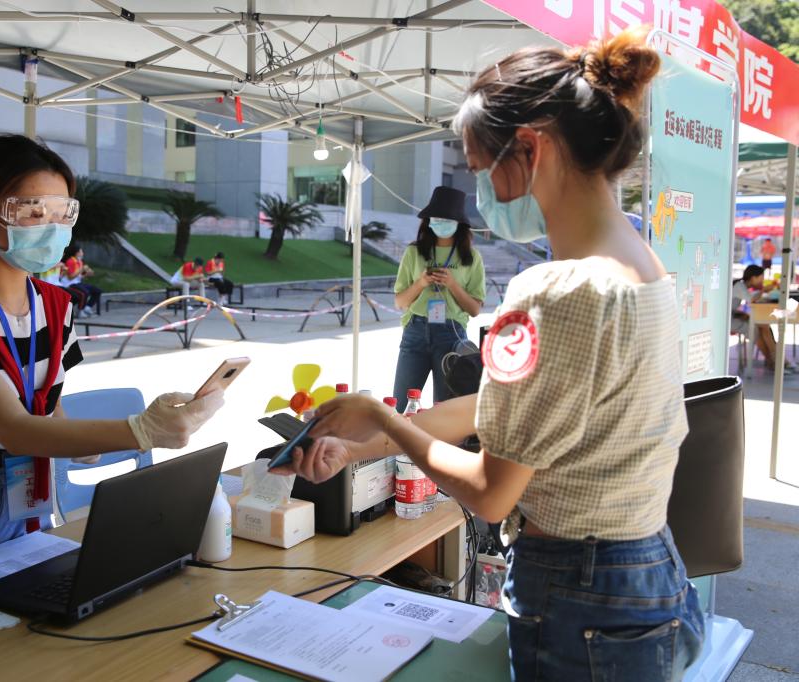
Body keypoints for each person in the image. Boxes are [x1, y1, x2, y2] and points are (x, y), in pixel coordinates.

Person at [274, 28, 705, 680]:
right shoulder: (643, 266)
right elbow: (499, 408)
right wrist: (365, 447)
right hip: (653, 574)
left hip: (579, 595)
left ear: (530, 149)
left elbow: (492, 493)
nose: (483, 196)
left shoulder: (549, 292)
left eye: (481, 170)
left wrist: (383, 416)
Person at [0, 135, 224, 585]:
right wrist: (140, 431)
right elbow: (13, 428)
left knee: (16, 632)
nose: (50, 227)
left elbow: (46, 403)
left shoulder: (56, 305)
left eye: (62, 214)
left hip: (26, 491)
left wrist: (81, 438)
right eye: (33, 212)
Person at [392, 186, 485, 408]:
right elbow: (400, 302)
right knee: (400, 405)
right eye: (437, 218)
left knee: (445, 408)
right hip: (416, 331)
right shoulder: (413, 253)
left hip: (451, 335)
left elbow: (474, 309)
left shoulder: (471, 257)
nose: (441, 223)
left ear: (459, 222)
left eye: (448, 219)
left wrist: (452, 284)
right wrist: (422, 283)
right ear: (429, 220)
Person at [732, 264, 794, 373]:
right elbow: (751, 299)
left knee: (764, 326)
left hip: (736, 316)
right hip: (731, 321)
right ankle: (776, 362)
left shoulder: (741, 286)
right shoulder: (739, 286)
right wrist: (764, 290)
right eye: (761, 278)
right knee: (757, 329)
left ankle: (776, 361)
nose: (762, 280)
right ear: (753, 278)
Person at [61, 243, 102, 317]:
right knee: (85, 292)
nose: (83, 253)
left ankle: (87, 307)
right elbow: (71, 277)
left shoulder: (79, 261)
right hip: (70, 284)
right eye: (81, 251)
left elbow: (79, 276)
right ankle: (80, 311)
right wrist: (82, 269)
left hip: (77, 283)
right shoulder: (70, 261)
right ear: (77, 253)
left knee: (97, 290)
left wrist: (87, 274)